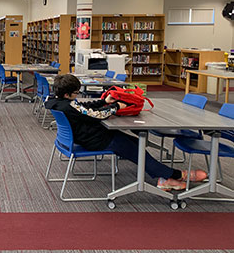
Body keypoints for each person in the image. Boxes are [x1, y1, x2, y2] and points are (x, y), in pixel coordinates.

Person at [44, 74, 207, 191]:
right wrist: (116, 107)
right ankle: (178, 175)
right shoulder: (69, 106)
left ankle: (164, 177)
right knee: (135, 150)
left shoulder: (56, 101)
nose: (77, 95)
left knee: (136, 143)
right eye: (75, 93)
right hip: (95, 139)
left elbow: (83, 108)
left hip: (82, 136)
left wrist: (103, 101)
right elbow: (97, 115)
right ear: (67, 94)